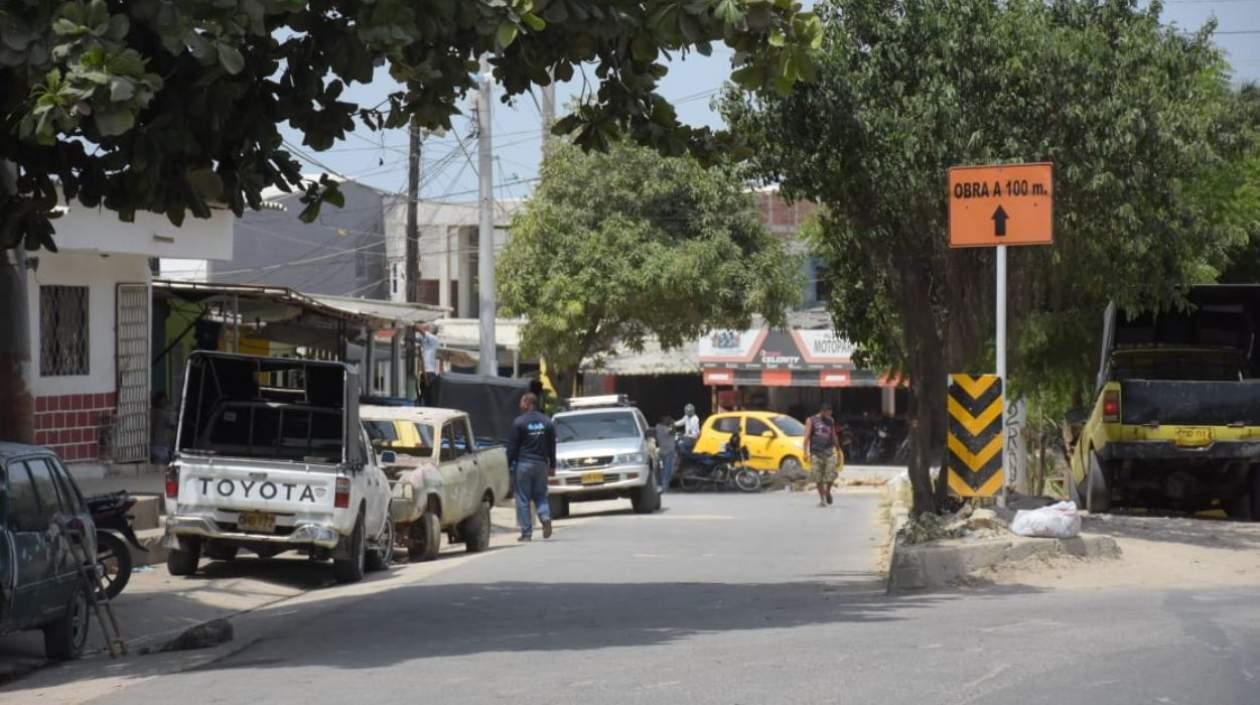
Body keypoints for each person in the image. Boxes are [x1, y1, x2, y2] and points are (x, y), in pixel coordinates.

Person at [506, 393, 556, 541]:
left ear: (527, 403)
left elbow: (512, 448)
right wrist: (552, 465)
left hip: (523, 465)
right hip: (541, 465)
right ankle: (545, 517)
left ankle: (526, 533)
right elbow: (552, 446)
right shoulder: (547, 422)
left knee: (522, 498)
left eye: (522, 402)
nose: (520, 405)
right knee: (540, 495)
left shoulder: (518, 422)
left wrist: (508, 465)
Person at [804, 402, 842, 507]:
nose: (829, 415)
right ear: (822, 411)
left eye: (830, 413)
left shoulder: (830, 421)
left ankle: (828, 491)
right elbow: (806, 437)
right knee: (818, 477)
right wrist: (805, 452)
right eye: (828, 413)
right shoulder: (811, 420)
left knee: (831, 475)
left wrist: (838, 451)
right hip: (816, 453)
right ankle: (822, 499)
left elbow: (834, 436)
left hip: (829, 452)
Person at [150, 392, 177, 464]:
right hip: (161, 448)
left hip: (150, 446)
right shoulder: (164, 414)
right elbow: (173, 425)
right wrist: (172, 410)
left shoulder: (150, 412)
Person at [417, 322, 440, 404]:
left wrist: (422, 325)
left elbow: (419, 329)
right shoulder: (426, 340)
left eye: (428, 327)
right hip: (425, 372)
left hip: (429, 373)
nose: (426, 328)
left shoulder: (433, 338)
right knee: (424, 396)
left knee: (429, 397)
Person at [655, 416, 677, 492]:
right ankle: (665, 487)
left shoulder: (657, 427)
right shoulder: (665, 428)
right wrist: (674, 425)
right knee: (668, 471)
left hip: (661, 452)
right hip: (669, 452)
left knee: (661, 469)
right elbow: (672, 432)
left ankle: (659, 485)